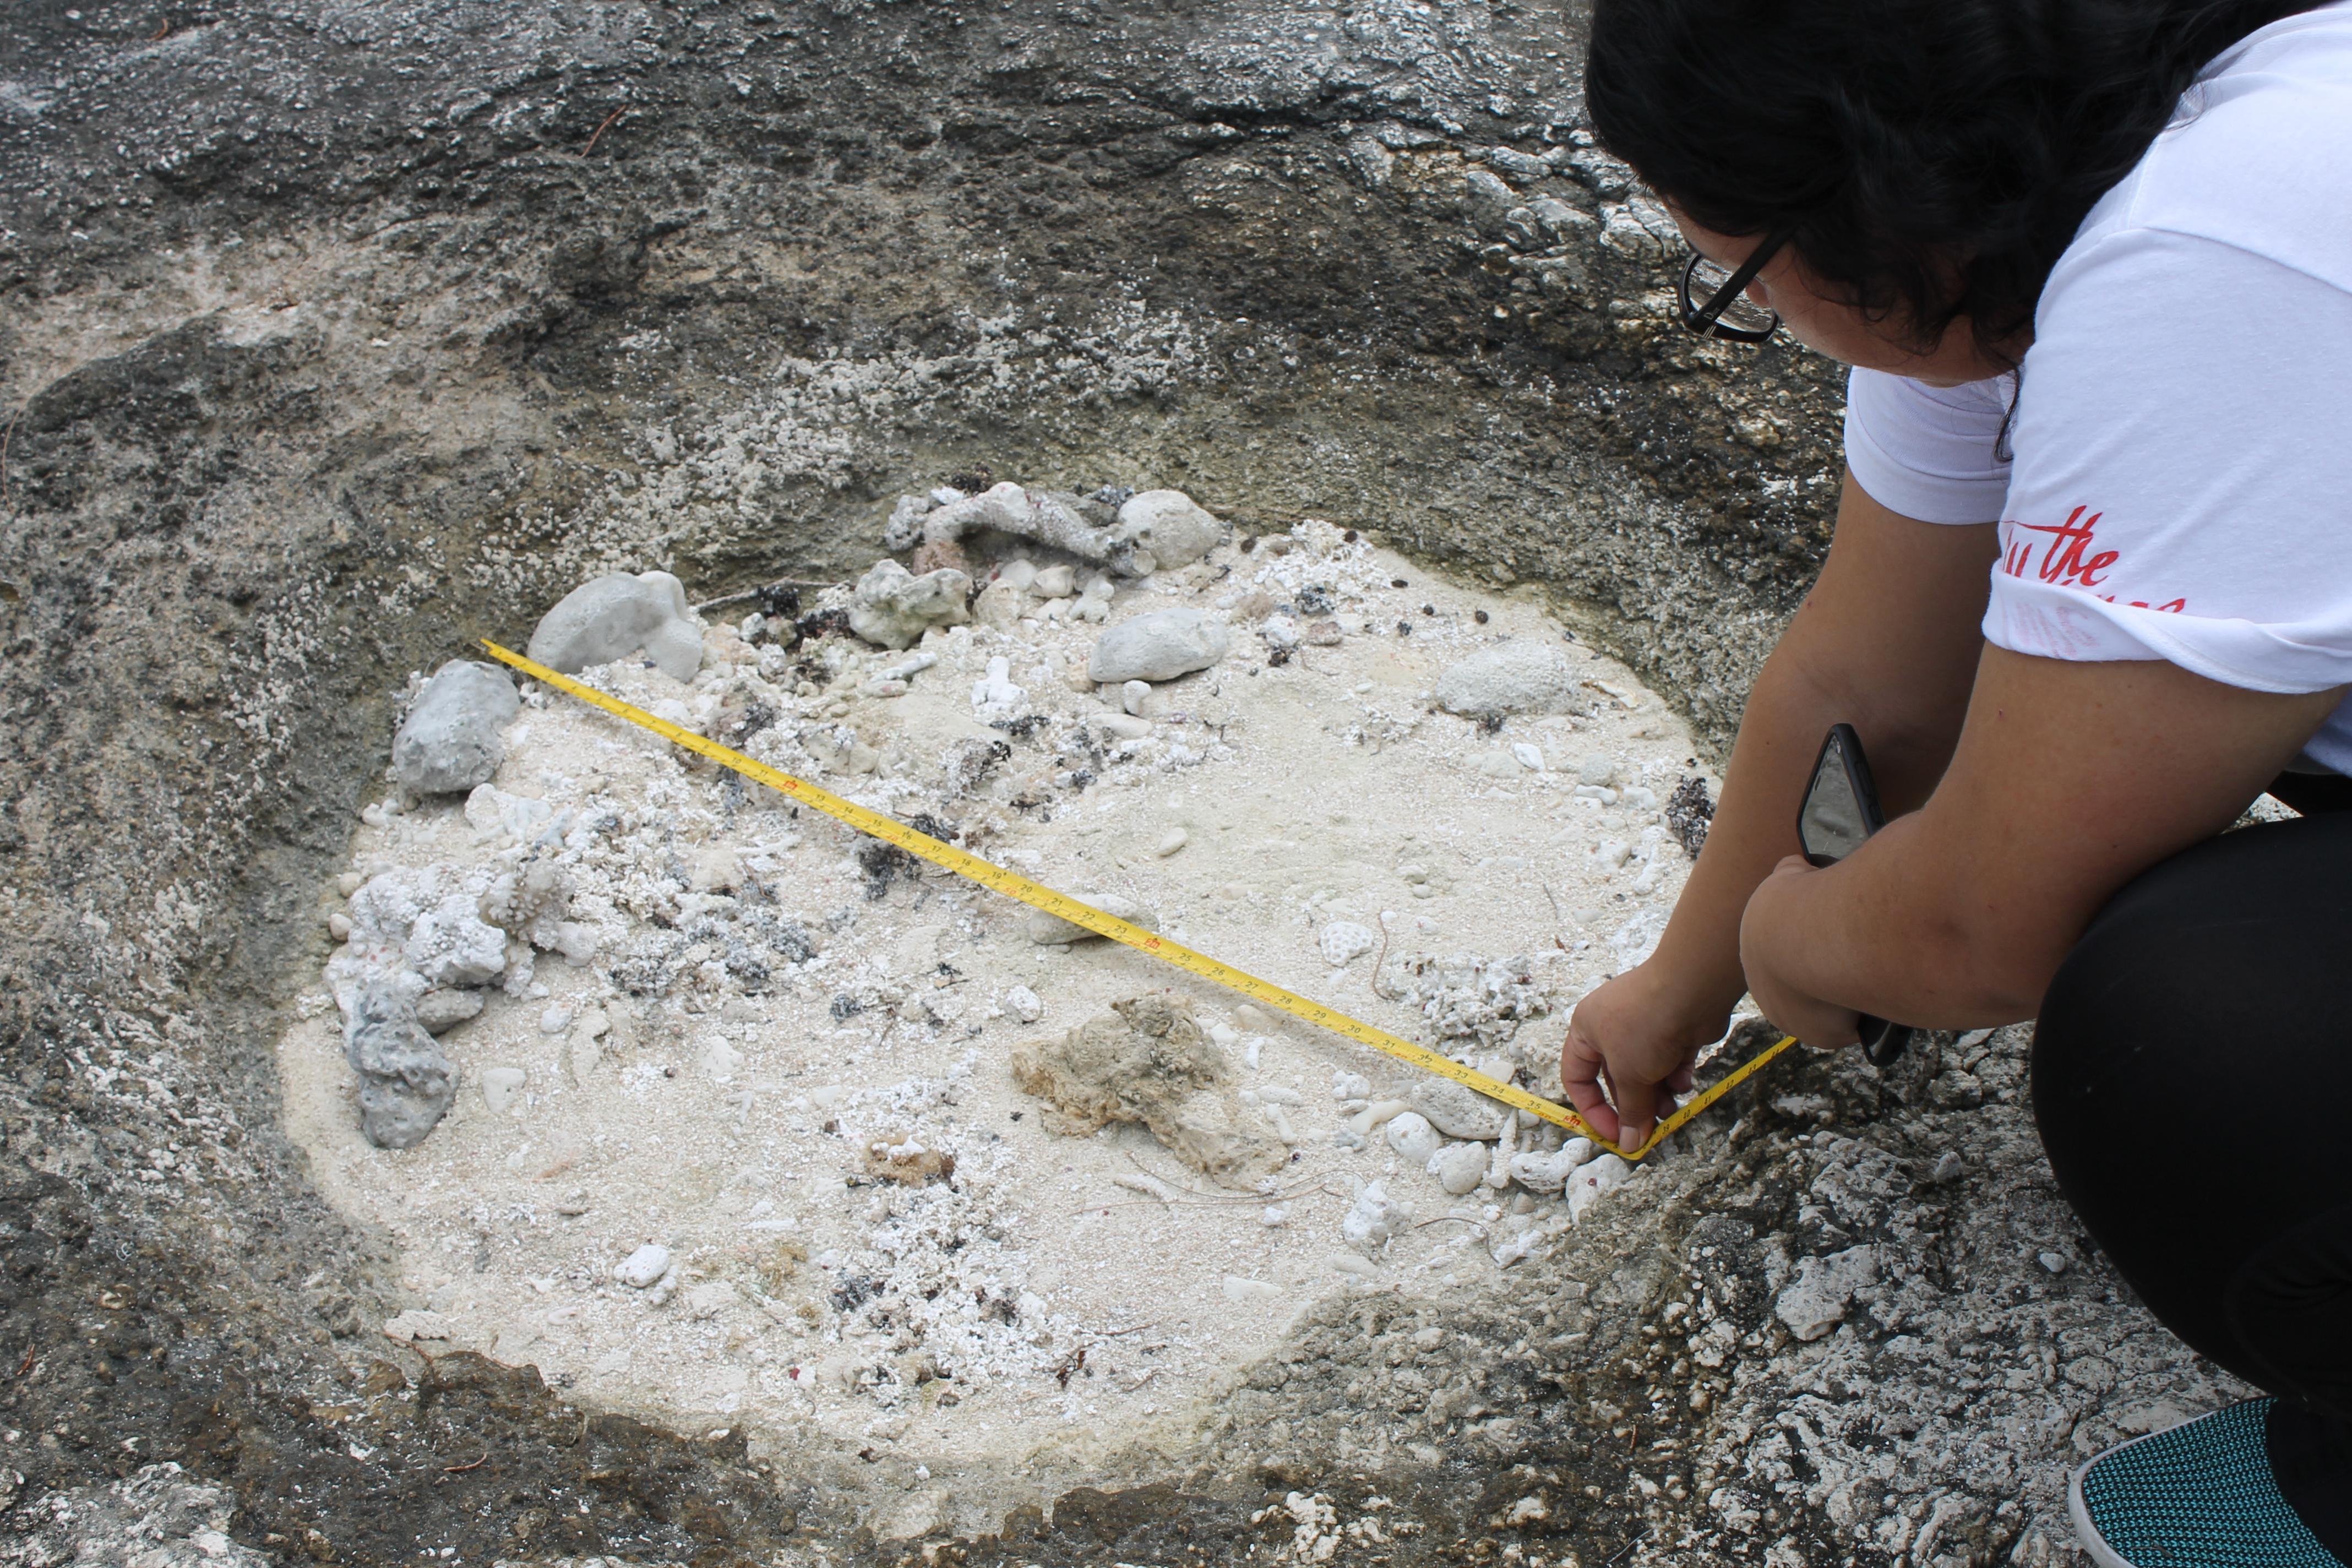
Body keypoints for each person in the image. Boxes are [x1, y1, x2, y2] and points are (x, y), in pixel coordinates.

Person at [1565, 0, 2352, 1560]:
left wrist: (1804, 947)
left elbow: (1989, 928)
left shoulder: (2210, 248)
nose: (1769, 313)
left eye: (1738, 276)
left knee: (2188, 1046)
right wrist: (1685, 978)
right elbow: (1874, 682)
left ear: (1850, 209)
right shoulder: (2007, 214)